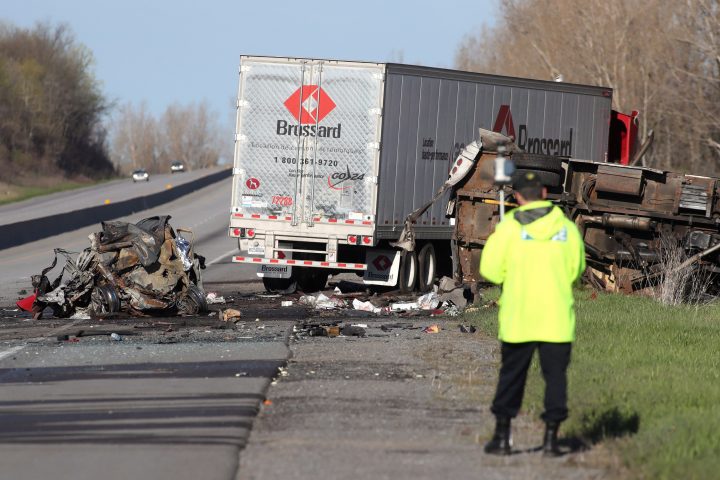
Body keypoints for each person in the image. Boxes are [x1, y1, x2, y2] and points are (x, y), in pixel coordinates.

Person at [479, 171, 585, 456]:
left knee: (512, 376)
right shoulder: (567, 229)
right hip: (556, 320)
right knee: (555, 379)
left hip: (519, 318)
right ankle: (551, 440)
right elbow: (576, 271)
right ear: (544, 193)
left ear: (517, 197)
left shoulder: (509, 229)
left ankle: (502, 437)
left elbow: (490, 270)